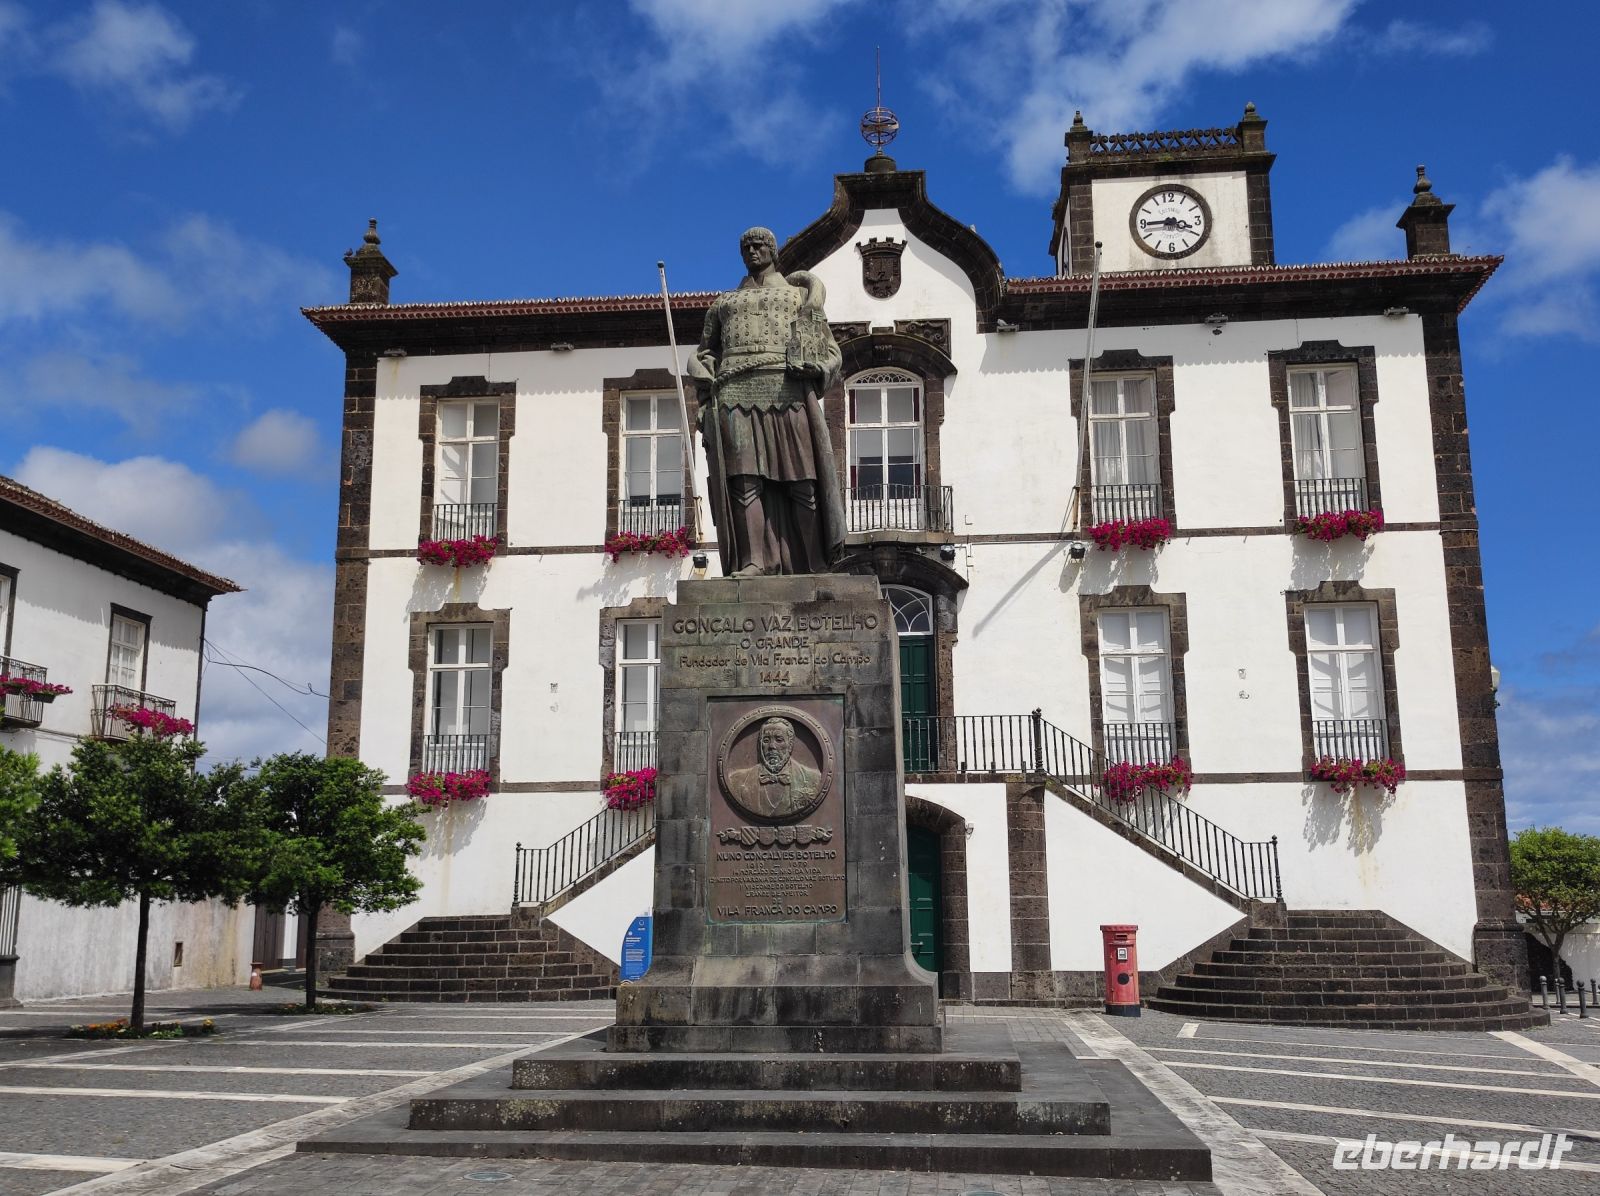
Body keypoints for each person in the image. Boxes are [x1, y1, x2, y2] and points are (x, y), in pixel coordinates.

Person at [688, 227, 847, 576]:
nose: (753, 250)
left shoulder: (797, 298)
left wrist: (816, 367)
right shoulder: (723, 303)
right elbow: (704, 354)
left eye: (760, 245)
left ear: (773, 251)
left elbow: (831, 352)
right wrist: (704, 375)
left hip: (786, 392)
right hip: (734, 396)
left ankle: (815, 562)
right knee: (745, 485)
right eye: (746, 246)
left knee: (803, 483)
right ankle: (753, 561)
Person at [724, 717, 825, 819]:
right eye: (766, 740)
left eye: (779, 740)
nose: (772, 746)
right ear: (760, 745)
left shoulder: (813, 779)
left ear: (790, 745)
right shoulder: (737, 781)